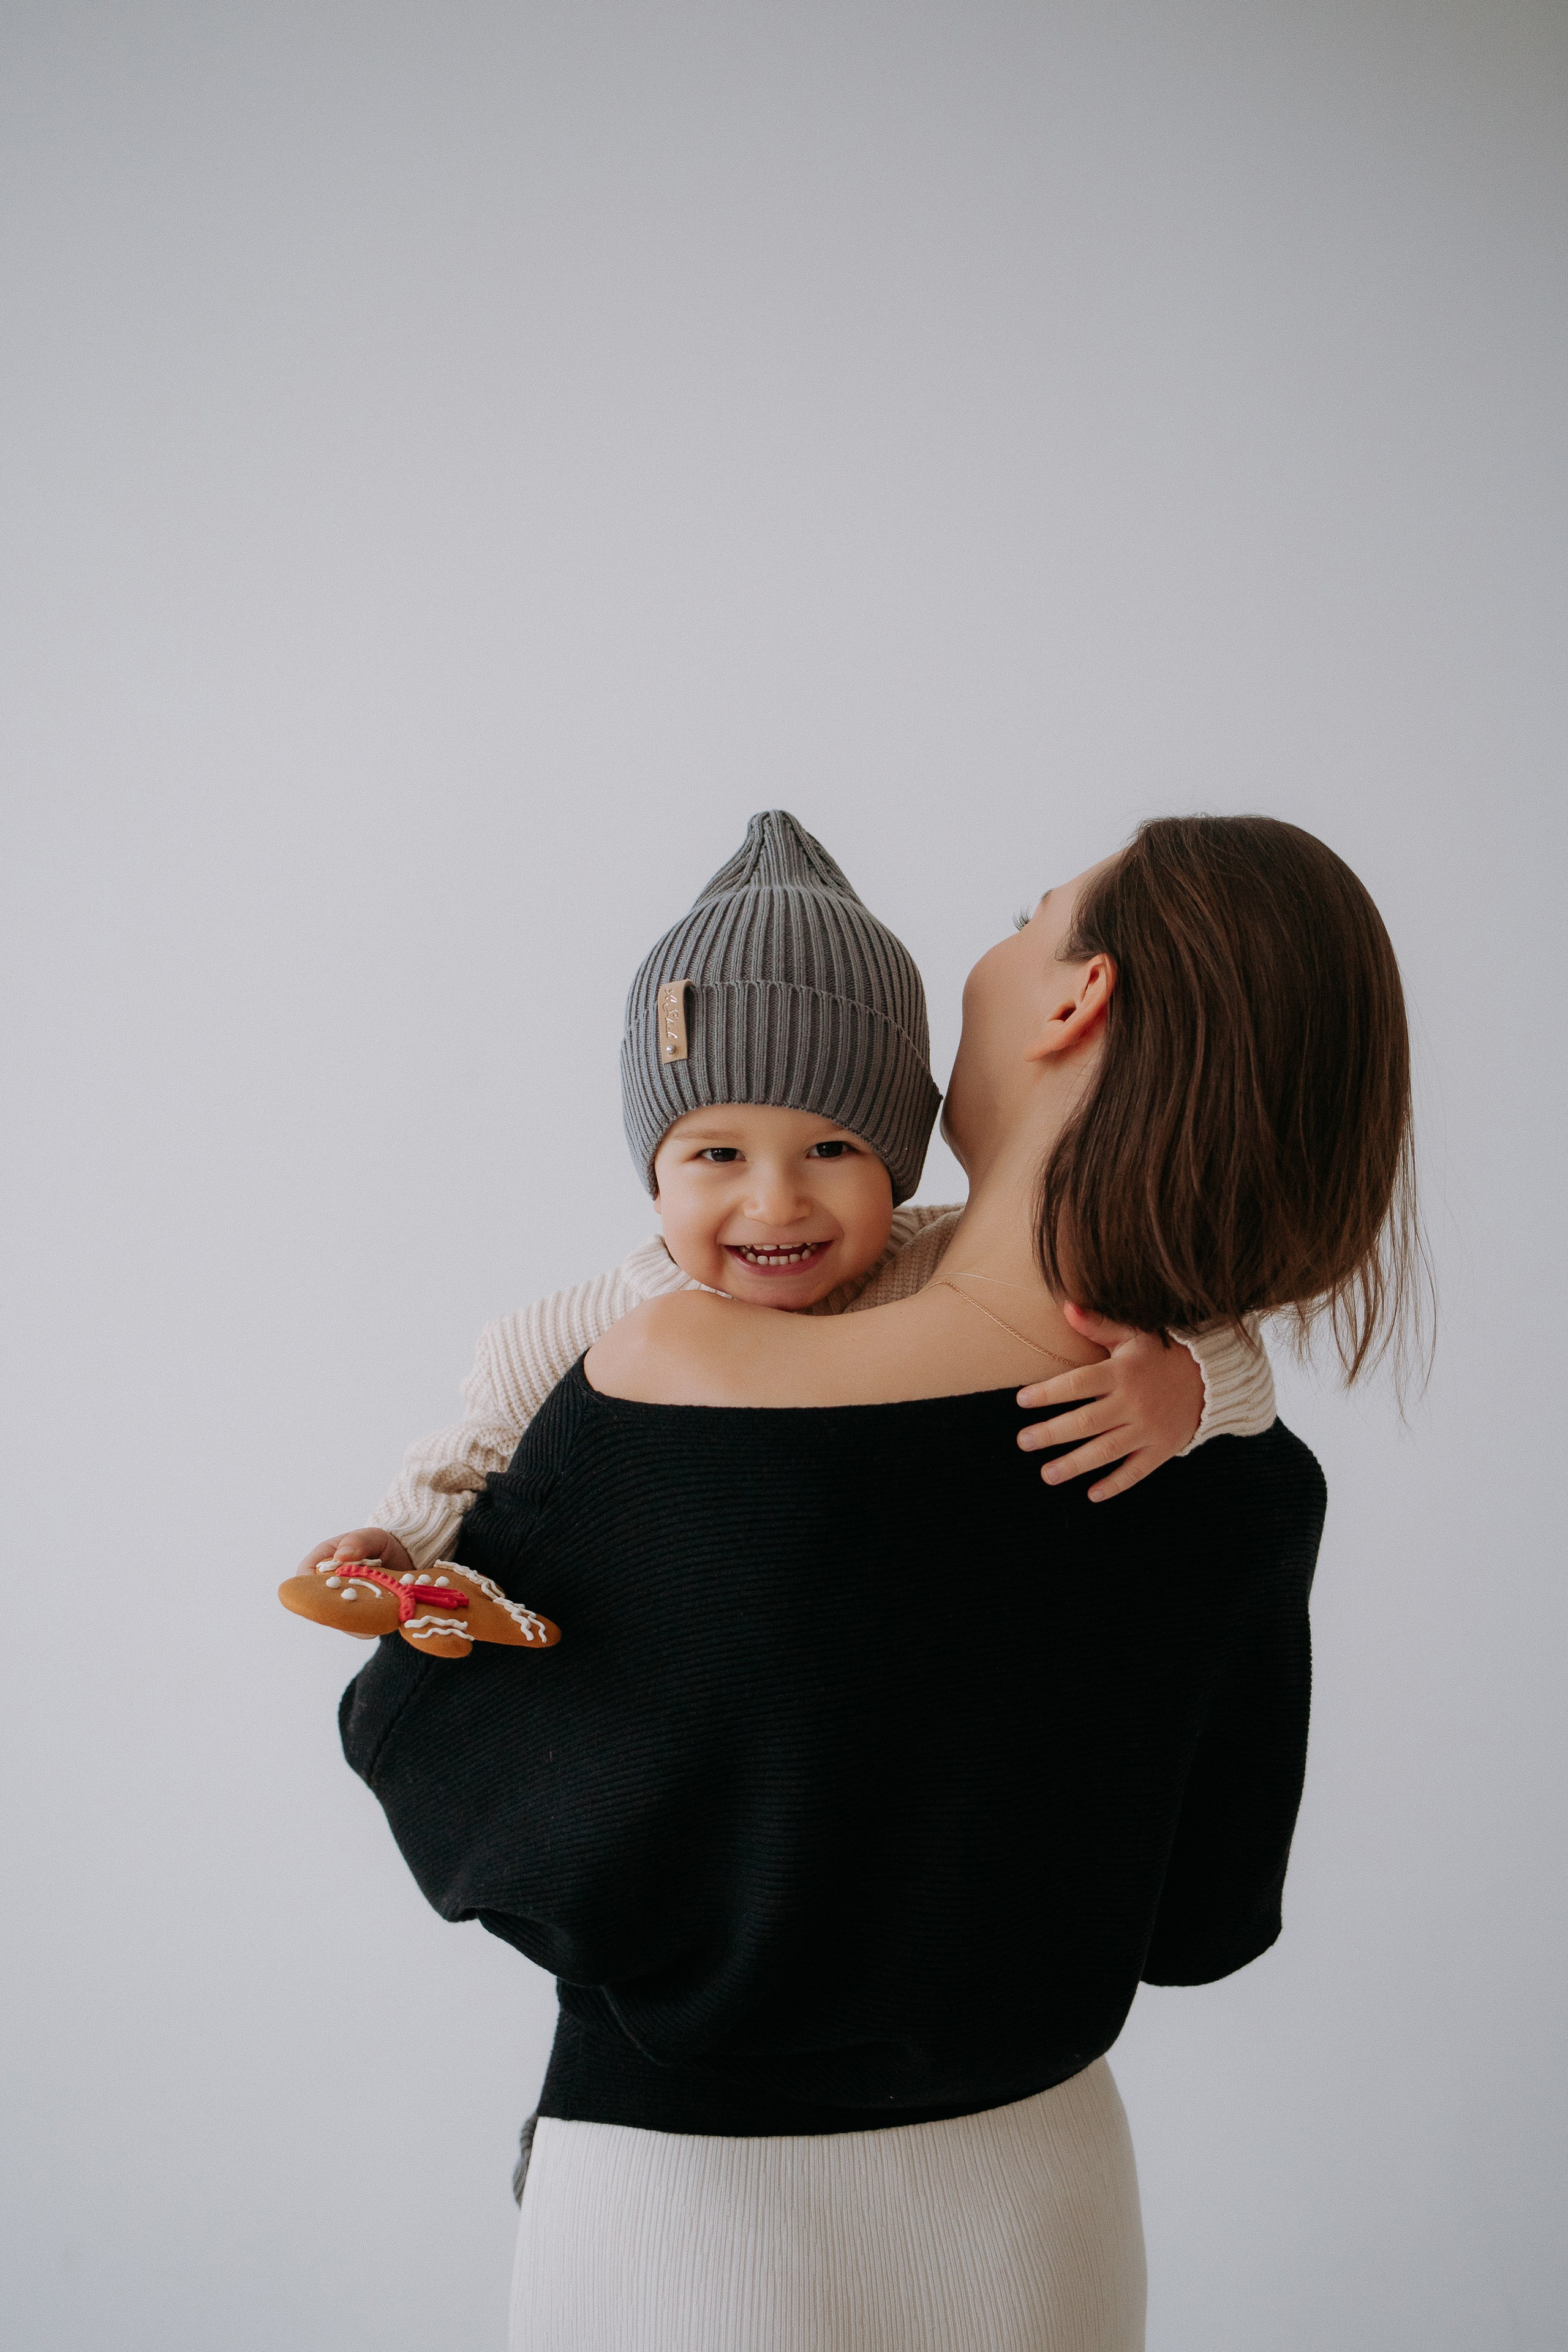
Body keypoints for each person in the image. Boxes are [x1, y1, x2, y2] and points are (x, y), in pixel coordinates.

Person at [337, 812, 1419, 2351]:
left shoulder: (665, 1371)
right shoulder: (1229, 1465)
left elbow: (433, 1760)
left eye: (1024, 917)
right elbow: (1198, 1920)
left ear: (1074, 999)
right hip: (1041, 2201)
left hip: (685, 2216)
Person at [299, 812, 1273, 1591]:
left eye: (831, 1149)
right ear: (656, 1171)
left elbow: (1180, 1323)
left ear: (896, 1162)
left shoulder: (939, 1260)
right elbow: (476, 1453)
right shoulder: (588, 1327)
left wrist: (1188, 1389)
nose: (775, 1203)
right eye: (719, 1153)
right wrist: (406, 1540)